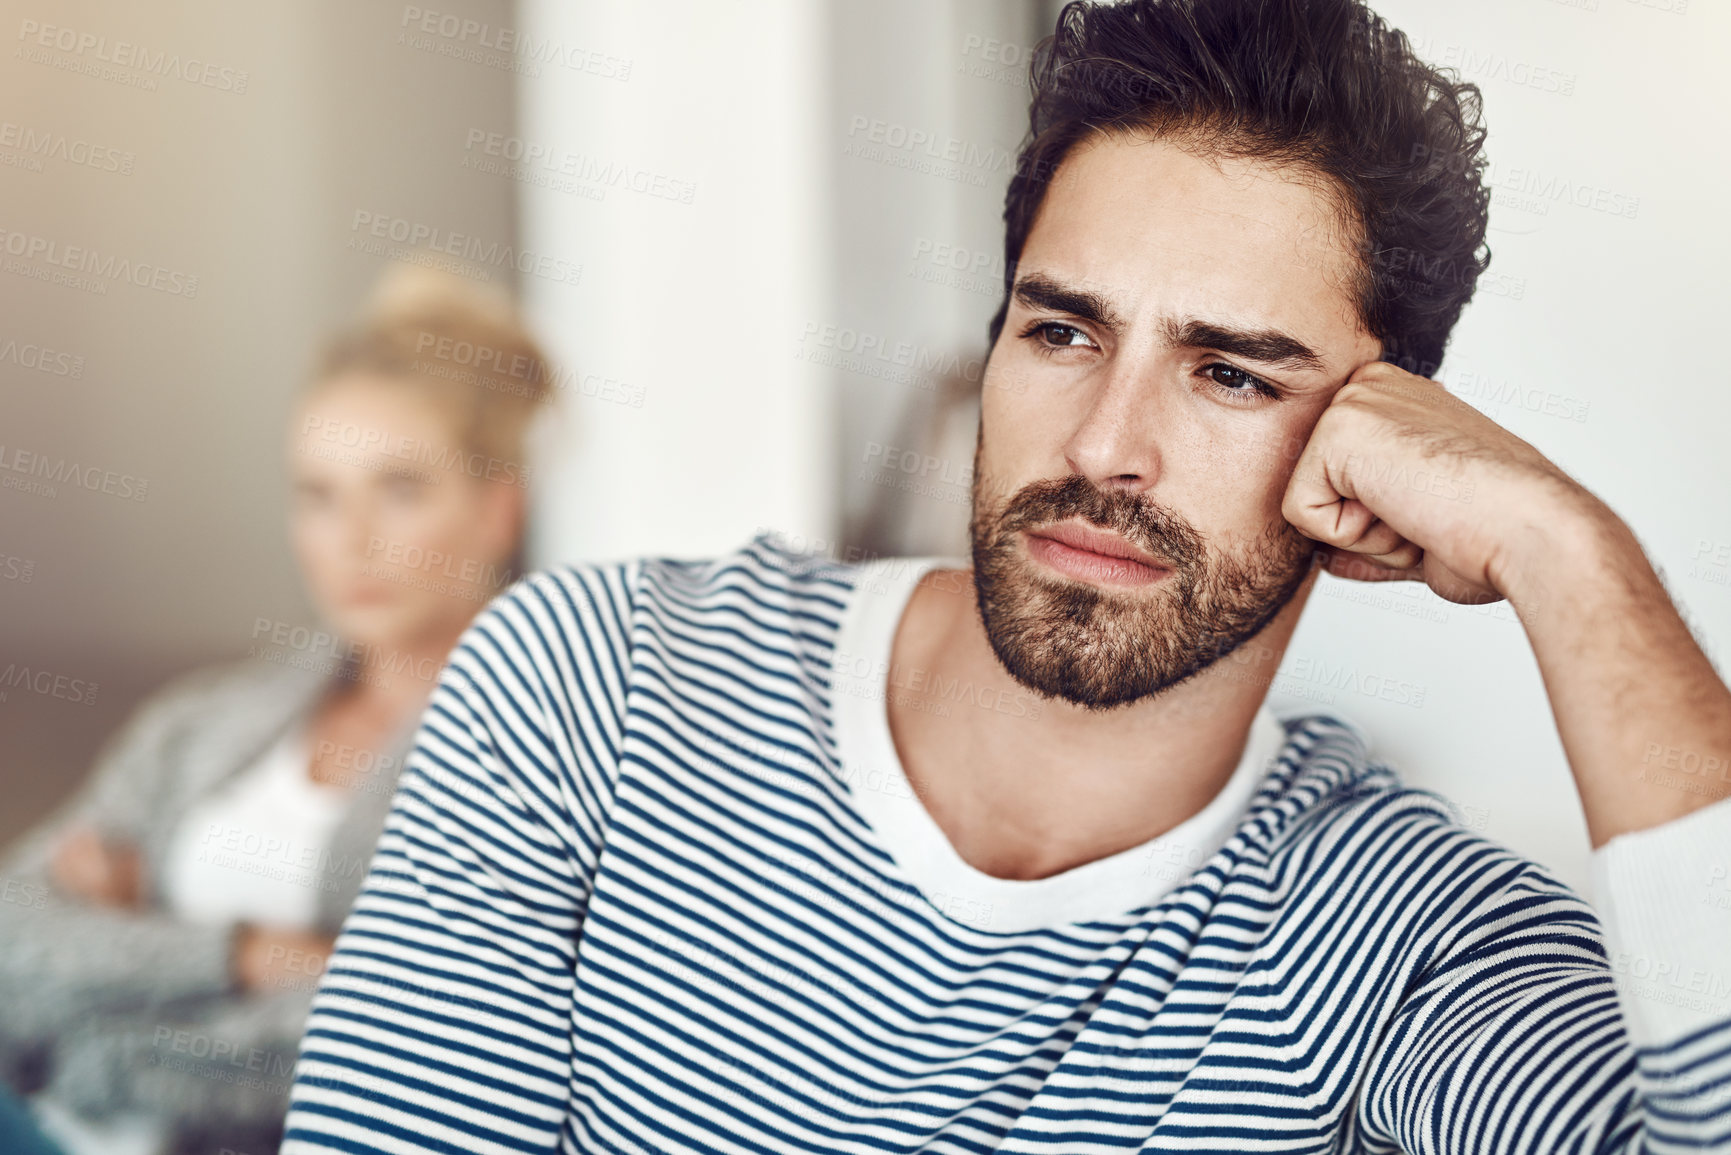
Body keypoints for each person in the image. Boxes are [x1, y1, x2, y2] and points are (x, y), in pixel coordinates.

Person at [281, 1, 1731, 1151]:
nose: (1106, 445)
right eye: (1061, 333)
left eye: (1226, 373)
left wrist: (1569, 553)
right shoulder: (592, 681)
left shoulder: (1396, 937)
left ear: (1376, 447)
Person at [0, 264, 554, 1155]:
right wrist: (248, 955)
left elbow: (408, 1037)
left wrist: (110, 980)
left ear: (497, 509)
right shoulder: (202, 721)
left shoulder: (530, 757)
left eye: (401, 488)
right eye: (318, 494)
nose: (352, 539)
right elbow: (9, 940)